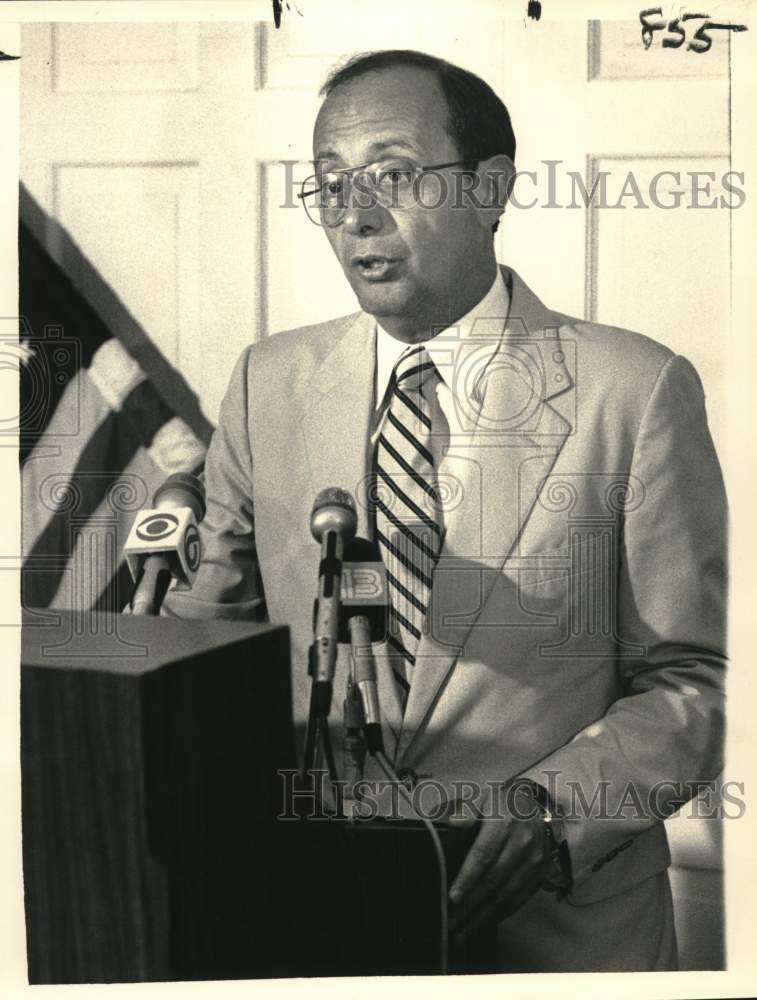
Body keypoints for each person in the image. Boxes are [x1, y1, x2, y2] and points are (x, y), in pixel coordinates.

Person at [162, 49, 726, 972]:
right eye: (330, 183)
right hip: (315, 920)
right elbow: (203, 645)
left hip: (555, 935)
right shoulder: (268, 382)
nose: (353, 215)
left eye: (391, 174)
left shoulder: (634, 391)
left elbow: (701, 676)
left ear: (489, 188)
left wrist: (554, 811)